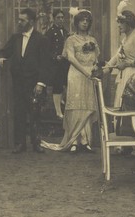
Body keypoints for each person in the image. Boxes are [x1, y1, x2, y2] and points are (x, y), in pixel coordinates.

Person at [41, 8, 98, 153]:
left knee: (87, 107)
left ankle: (85, 142)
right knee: (75, 107)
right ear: (77, 23)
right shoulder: (71, 39)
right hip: (76, 74)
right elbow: (70, 58)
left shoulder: (92, 40)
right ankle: (74, 140)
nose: (84, 23)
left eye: (87, 21)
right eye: (82, 21)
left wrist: (93, 69)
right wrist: (84, 71)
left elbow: (96, 57)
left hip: (89, 76)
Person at [0, 8, 50, 153]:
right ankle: (20, 144)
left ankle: (36, 143)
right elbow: (4, 51)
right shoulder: (15, 38)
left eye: (22, 20)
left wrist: (40, 84)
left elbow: (45, 64)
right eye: (19, 20)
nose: (19, 22)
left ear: (31, 22)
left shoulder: (41, 39)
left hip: (34, 84)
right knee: (19, 113)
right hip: (18, 83)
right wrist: (2, 57)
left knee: (35, 114)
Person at [104, 1, 135, 108]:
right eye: (118, 23)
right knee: (120, 101)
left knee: (129, 103)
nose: (119, 26)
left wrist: (126, 64)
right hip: (124, 74)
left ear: (129, 23)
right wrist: (105, 68)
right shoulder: (125, 39)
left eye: (121, 23)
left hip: (134, 75)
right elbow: (116, 56)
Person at [45, 9, 70, 119]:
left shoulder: (66, 32)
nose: (60, 20)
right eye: (58, 17)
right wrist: (55, 57)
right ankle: (58, 111)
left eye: (62, 17)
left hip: (65, 64)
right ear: (54, 19)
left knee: (67, 84)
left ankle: (62, 102)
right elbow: (46, 50)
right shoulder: (50, 32)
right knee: (58, 86)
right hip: (55, 65)